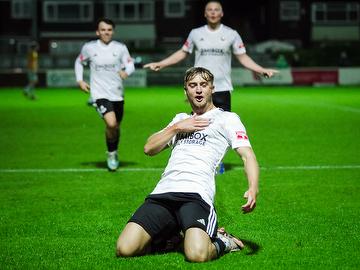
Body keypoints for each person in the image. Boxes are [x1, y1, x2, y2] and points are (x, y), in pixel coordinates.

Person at [116, 67, 259, 262]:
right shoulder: (180, 119)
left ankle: (224, 242)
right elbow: (149, 148)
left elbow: (247, 156)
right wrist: (177, 128)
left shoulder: (227, 119)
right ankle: (176, 236)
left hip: (196, 195)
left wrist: (253, 188)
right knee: (125, 249)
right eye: (193, 85)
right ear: (186, 91)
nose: (198, 90)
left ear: (212, 89)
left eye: (203, 85)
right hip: (163, 194)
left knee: (197, 255)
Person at [144, 1, 278, 112]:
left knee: (223, 131)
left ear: (221, 13)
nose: (213, 12)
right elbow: (183, 52)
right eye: (210, 10)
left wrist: (261, 70)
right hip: (200, 88)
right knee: (199, 129)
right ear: (205, 13)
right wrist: (161, 63)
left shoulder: (232, 34)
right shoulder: (195, 33)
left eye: (216, 9)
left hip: (223, 88)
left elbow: (243, 57)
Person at [75, 18, 135, 171]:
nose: (106, 32)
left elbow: (130, 64)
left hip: (117, 94)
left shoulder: (120, 48)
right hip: (99, 93)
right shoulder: (89, 48)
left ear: (112, 32)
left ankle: (113, 151)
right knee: (111, 123)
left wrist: (126, 71)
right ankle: (111, 153)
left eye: (109, 30)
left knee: (115, 128)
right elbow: (79, 62)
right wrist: (80, 80)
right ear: (97, 32)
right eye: (103, 29)